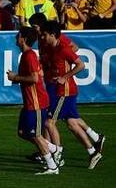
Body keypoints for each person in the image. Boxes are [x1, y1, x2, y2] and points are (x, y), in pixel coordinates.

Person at [41, 21, 105, 170]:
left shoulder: (63, 49)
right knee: (72, 123)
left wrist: (65, 77)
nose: (42, 37)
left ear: (52, 34)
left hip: (64, 91)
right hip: (59, 90)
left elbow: (81, 64)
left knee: (49, 123)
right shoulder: (50, 48)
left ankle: (57, 154)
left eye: (44, 35)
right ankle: (92, 150)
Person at [6, 27, 59, 175]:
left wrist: (16, 78)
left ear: (23, 38)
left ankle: (52, 166)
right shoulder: (26, 55)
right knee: (23, 132)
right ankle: (54, 148)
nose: (16, 38)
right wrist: (16, 78)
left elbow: (35, 78)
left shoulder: (29, 55)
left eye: (18, 36)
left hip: (36, 102)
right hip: (30, 102)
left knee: (35, 134)